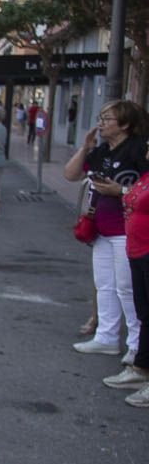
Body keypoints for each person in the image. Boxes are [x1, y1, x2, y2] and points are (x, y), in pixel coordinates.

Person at [64, 101, 149, 362]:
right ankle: (106, 337)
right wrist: (84, 147)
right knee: (105, 285)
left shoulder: (136, 150)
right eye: (100, 118)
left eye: (107, 119)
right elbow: (71, 174)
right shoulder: (102, 150)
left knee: (127, 289)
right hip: (101, 230)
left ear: (125, 124)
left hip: (128, 231)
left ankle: (136, 345)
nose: (101, 124)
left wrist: (120, 191)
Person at [109, 103, 149, 404]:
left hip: (144, 248)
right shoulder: (145, 175)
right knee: (144, 310)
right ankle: (140, 367)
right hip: (137, 248)